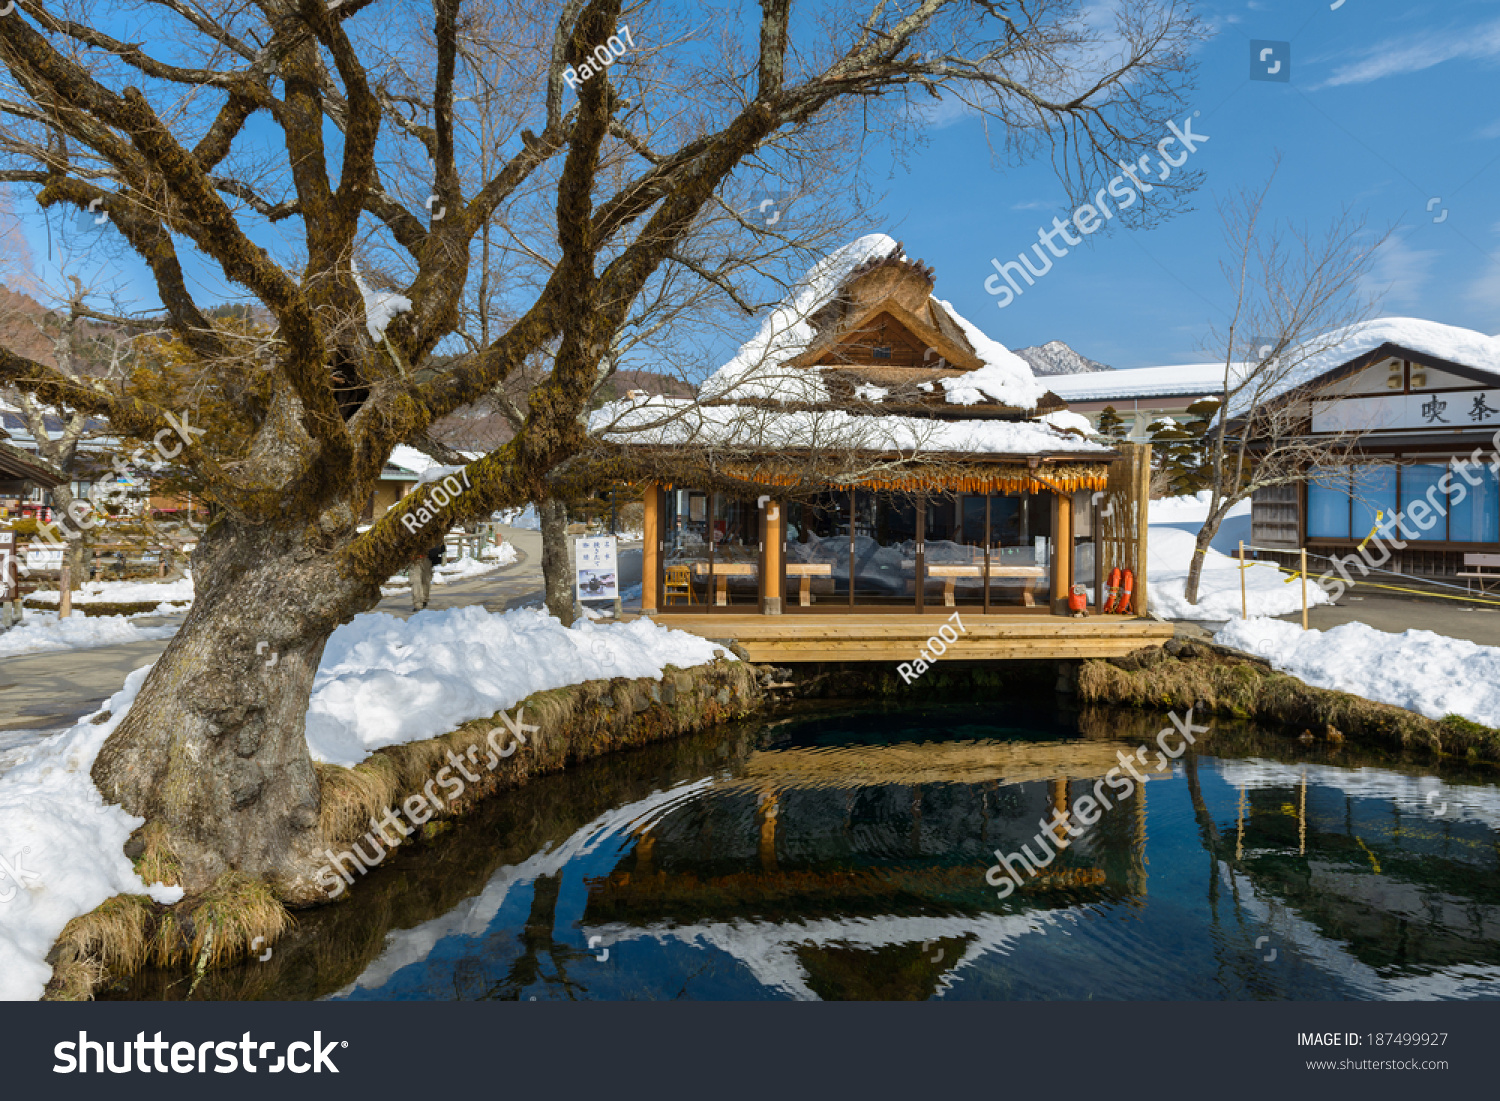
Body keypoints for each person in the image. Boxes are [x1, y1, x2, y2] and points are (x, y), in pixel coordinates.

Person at [410, 537, 445, 611]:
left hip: (427, 558)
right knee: (415, 581)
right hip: (414, 560)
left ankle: (424, 599)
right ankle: (418, 604)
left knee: (425, 581)